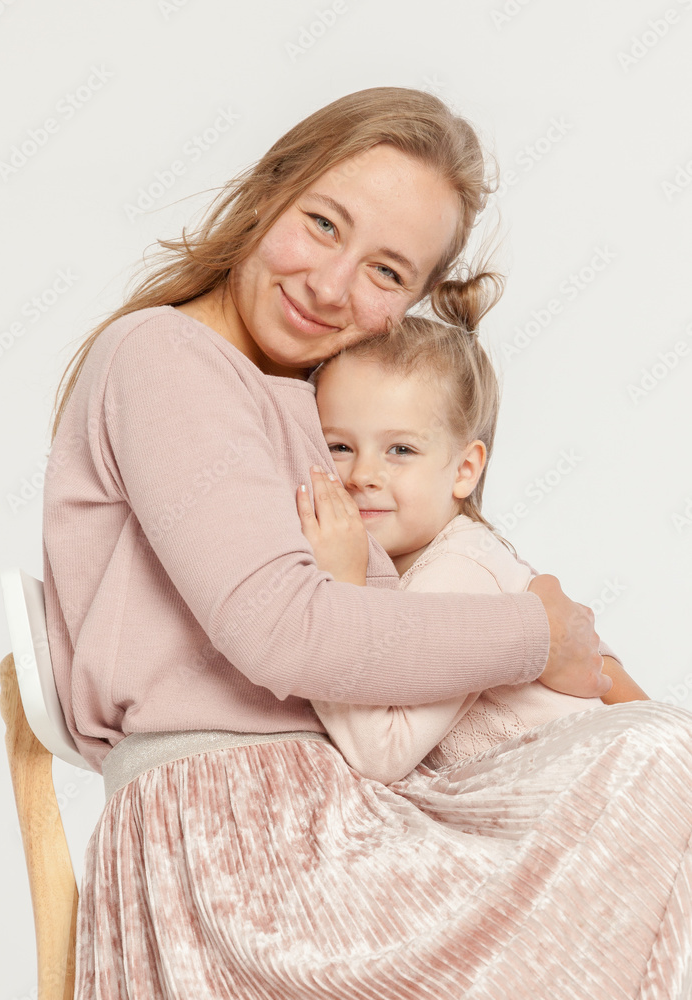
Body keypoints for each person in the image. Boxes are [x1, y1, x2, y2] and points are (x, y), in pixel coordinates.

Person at [42, 87, 692, 998]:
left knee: (658, 778)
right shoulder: (165, 355)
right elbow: (285, 630)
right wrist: (538, 633)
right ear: (267, 192)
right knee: (657, 760)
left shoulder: (306, 403)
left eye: (386, 272)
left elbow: (372, 634)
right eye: (322, 224)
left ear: (415, 303)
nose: (329, 286)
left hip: (329, 817)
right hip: (242, 847)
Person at [301, 312, 650, 784]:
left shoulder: (459, 569)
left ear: (465, 470)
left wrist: (339, 588)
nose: (363, 475)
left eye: (401, 450)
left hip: (596, 791)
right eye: (339, 447)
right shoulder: (447, 558)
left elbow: (381, 754)